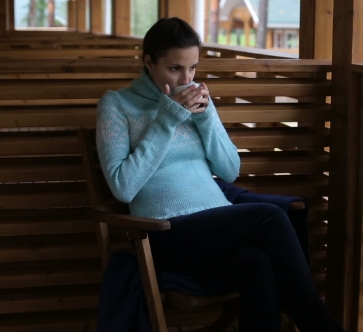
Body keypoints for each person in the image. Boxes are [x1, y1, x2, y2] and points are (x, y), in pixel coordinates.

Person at [95, 17, 343, 332]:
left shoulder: (195, 101)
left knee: (257, 264)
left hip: (216, 228)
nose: (187, 80)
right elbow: (123, 187)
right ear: (148, 62)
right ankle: (320, 326)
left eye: (193, 68)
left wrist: (207, 115)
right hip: (164, 234)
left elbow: (229, 169)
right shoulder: (116, 104)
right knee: (270, 218)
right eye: (175, 69)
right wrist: (168, 118)